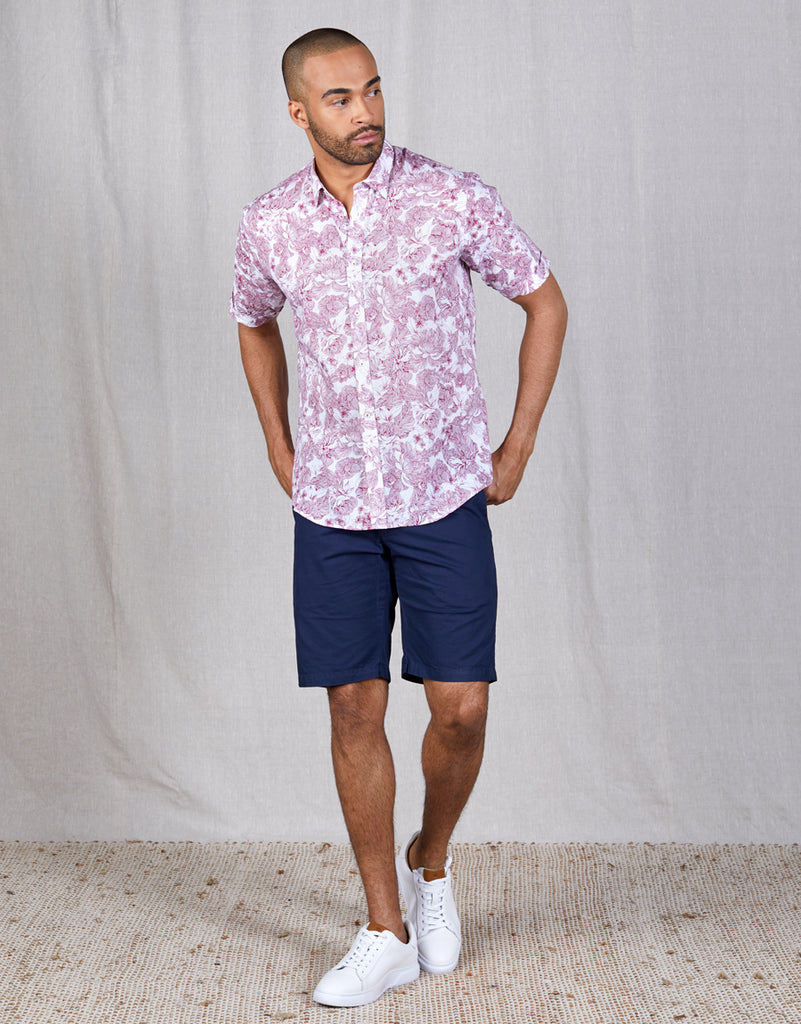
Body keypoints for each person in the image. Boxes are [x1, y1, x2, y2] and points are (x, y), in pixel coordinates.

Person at [230, 27, 567, 1008]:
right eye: (340, 98)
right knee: (352, 707)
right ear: (299, 112)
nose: (366, 111)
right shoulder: (269, 223)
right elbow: (252, 320)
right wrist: (278, 441)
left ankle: (432, 861)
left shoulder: (450, 197)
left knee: (460, 708)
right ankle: (383, 928)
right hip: (333, 503)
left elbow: (544, 302)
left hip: (441, 493)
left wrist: (517, 444)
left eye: (373, 89)